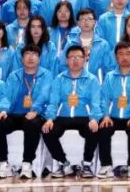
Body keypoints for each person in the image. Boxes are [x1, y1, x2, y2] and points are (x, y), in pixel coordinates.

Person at [41, 45, 103, 178]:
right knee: (47, 130)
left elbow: (96, 103)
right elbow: (53, 102)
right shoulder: (59, 79)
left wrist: (94, 119)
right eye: (71, 57)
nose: (75, 60)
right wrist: (49, 119)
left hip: (84, 117)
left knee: (94, 129)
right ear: (66, 60)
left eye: (79, 57)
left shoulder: (92, 80)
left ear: (85, 59)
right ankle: (63, 163)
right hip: (63, 116)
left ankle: (87, 164)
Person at [0, 44, 52, 180]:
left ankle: (27, 164)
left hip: (35, 114)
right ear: (21, 59)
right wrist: (3, 110)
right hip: (14, 114)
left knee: (32, 123)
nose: (30, 58)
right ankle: (3, 163)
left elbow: (45, 95)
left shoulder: (46, 75)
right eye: (27, 54)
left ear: (39, 59)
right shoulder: (14, 76)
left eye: (34, 55)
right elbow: (6, 96)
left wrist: (35, 110)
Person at [96, 43, 130, 179]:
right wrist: (106, 115)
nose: (124, 57)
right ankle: (105, 165)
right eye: (120, 54)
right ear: (116, 57)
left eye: (128, 53)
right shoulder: (109, 77)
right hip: (112, 116)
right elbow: (104, 98)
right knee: (103, 128)